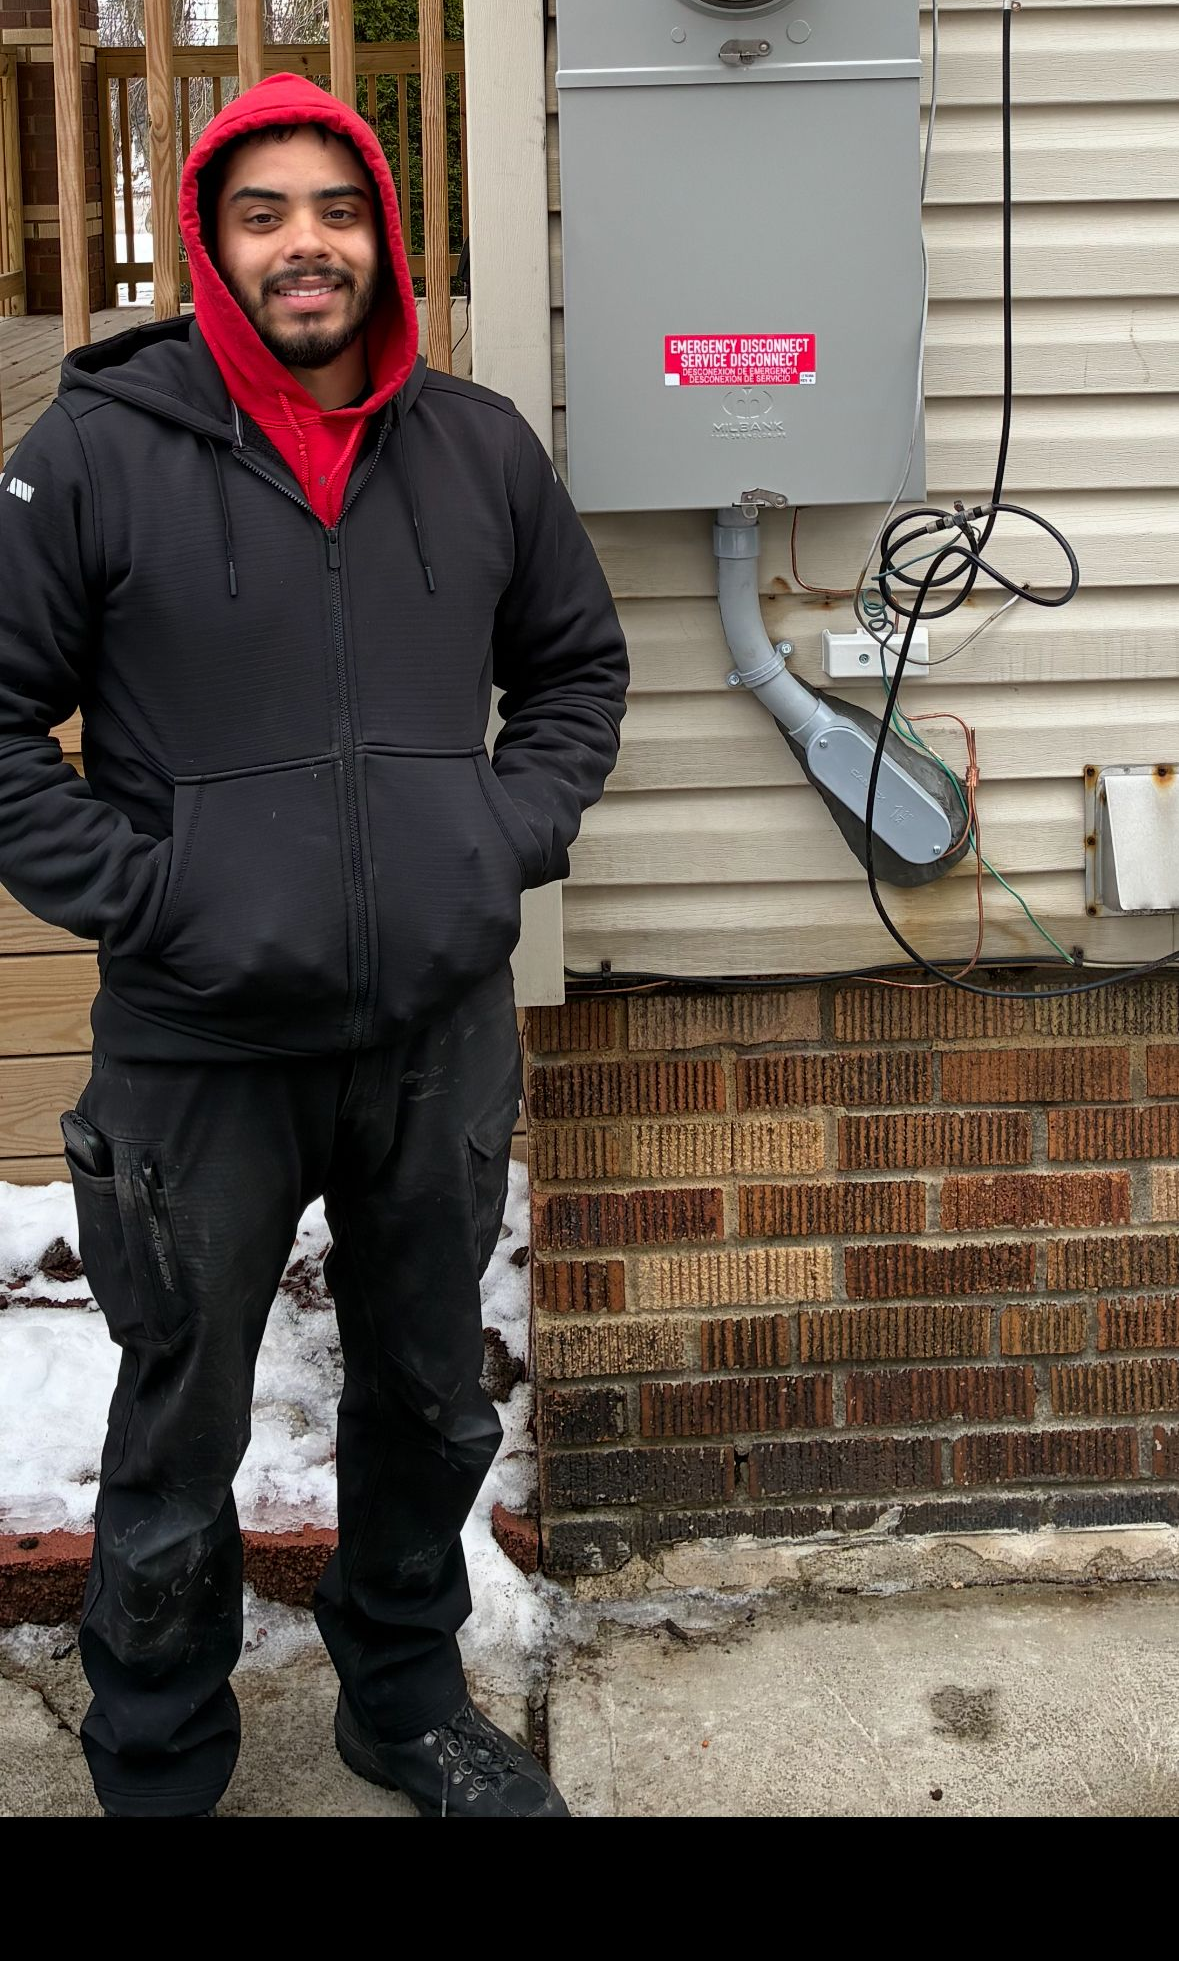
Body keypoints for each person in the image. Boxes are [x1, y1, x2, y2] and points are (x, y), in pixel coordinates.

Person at [0, 72, 627, 1819]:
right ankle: (157, 1753)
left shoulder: (481, 445)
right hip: (198, 1051)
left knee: (430, 1402)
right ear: (211, 244)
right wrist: (157, 896)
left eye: (334, 211)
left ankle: (401, 1698)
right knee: (181, 1427)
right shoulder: (91, 457)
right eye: (262, 212)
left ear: (383, 240)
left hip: (435, 1025)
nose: (304, 245)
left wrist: (498, 837)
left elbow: (576, 670)